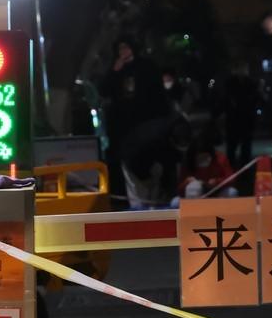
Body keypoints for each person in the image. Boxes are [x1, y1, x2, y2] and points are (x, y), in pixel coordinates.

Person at [96, 36, 170, 201]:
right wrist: (114, 71)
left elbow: (157, 94)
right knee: (126, 163)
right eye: (120, 49)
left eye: (126, 48)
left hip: (146, 123)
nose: (123, 52)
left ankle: (156, 194)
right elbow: (104, 90)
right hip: (123, 126)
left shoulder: (146, 66)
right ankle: (133, 199)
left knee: (149, 161)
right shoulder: (116, 68)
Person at [120, 115, 191, 209]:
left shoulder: (180, 131)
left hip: (154, 161)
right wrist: (147, 179)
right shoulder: (152, 140)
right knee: (140, 202)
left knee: (158, 194)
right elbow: (138, 167)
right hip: (133, 160)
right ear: (172, 140)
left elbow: (172, 164)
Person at [177, 134, 237, 201]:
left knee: (232, 192)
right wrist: (186, 182)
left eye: (205, 157)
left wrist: (217, 181)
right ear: (193, 156)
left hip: (217, 193)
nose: (203, 160)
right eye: (200, 158)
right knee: (175, 202)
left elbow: (231, 179)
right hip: (195, 195)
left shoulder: (220, 159)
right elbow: (179, 189)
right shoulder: (187, 162)